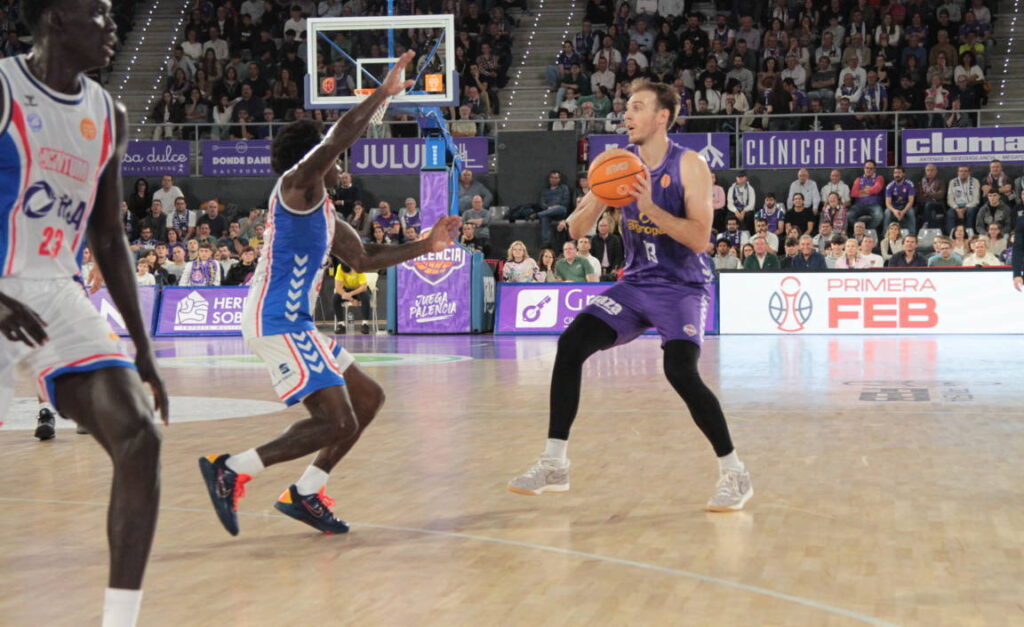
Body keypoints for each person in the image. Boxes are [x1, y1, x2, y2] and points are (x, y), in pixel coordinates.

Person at [199, 51, 462, 538]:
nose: (344, 168)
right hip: (274, 319)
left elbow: (363, 259)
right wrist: (380, 95)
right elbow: (337, 137)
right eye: (337, 162)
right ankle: (233, 467)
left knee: (368, 399)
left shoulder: (325, 215)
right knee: (338, 421)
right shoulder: (296, 185)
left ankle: (306, 492)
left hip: (295, 322)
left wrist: (427, 245)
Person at [0, 0, 167, 627]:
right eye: (97, 14)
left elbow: (109, 234)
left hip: (55, 294)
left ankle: (118, 622)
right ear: (54, 22)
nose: (111, 26)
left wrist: (144, 350)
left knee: (140, 437)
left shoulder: (107, 111)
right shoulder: (5, 86)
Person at [508, 79, 752, 512]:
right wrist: (603, 197)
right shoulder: (614, 163)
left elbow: (699, 239)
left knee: (680, 371)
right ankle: (554, 463)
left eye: (637, 107)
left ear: (662, 116)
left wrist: (652, 207)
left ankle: (735, 473)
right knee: (571, 344)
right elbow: (578, 230)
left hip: (682, 287)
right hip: (636, 284)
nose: (627, 114)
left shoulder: (690, 166)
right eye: (627, 107)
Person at [332, 261, 372, 335]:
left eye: (350, 272)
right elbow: (338, 288)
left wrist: (351, 294)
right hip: (348, 290)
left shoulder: (358, 267)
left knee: (366, 296)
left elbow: (364, 287)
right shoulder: (339, 268)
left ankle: (365, 324)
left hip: (359, 289)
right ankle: (341, 324)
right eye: (347, 274)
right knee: (336, 298)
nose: (349, 275)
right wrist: (351, 299)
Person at [847, 160, 884, 231]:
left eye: (871, 168)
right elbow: (853, 193)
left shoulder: (879, 178)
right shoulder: (859, 179)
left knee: (879, 216)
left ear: (874, 169)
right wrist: (870, 191)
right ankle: (859, 231)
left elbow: (876, 189)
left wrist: (861, 191)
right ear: (864, 168)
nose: (868, 170)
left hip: (874, 205)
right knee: (849, 215)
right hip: (859, 205)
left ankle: (868, 231)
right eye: (867, 168)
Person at [538, 171, 571, 247]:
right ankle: (547, 242)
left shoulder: (564, 188)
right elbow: (542, 203)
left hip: (561, 211)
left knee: (561, 209)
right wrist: (548, 208)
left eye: (556, 178)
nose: (554, 179)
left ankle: (538, 214)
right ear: (549, 179)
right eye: (552, 177)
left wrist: (556, 206)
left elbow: (566, 201)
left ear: (559, 179)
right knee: (545, 217)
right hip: (548, 212)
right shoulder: (545, 191)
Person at [945, 166, 980, 235]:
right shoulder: (953, 182)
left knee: (970, 212)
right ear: (957, 173)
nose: (963, 173)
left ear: (969, 173)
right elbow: (950, 199)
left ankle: (970, 235)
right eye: (961, 171)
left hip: (970, 206)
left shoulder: (975, 181)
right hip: (956, 206)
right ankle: (951, 236)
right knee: (950, 213)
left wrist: (965, 208)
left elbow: (976, 199)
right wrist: (957, 209)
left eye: (965, 171)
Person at [883, 167, 916, 235]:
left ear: (904, 174)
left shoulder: (909, 184)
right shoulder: (889, 186)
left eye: (899, 173)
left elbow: (911, 201)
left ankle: (912, 235)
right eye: (895, 173)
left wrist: (903, 212)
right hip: (894, 207)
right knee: (887, 212)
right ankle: (885, 235)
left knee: (911, 212)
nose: (897, 175)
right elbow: (888, 203)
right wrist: (894, 211)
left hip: (906, 206)